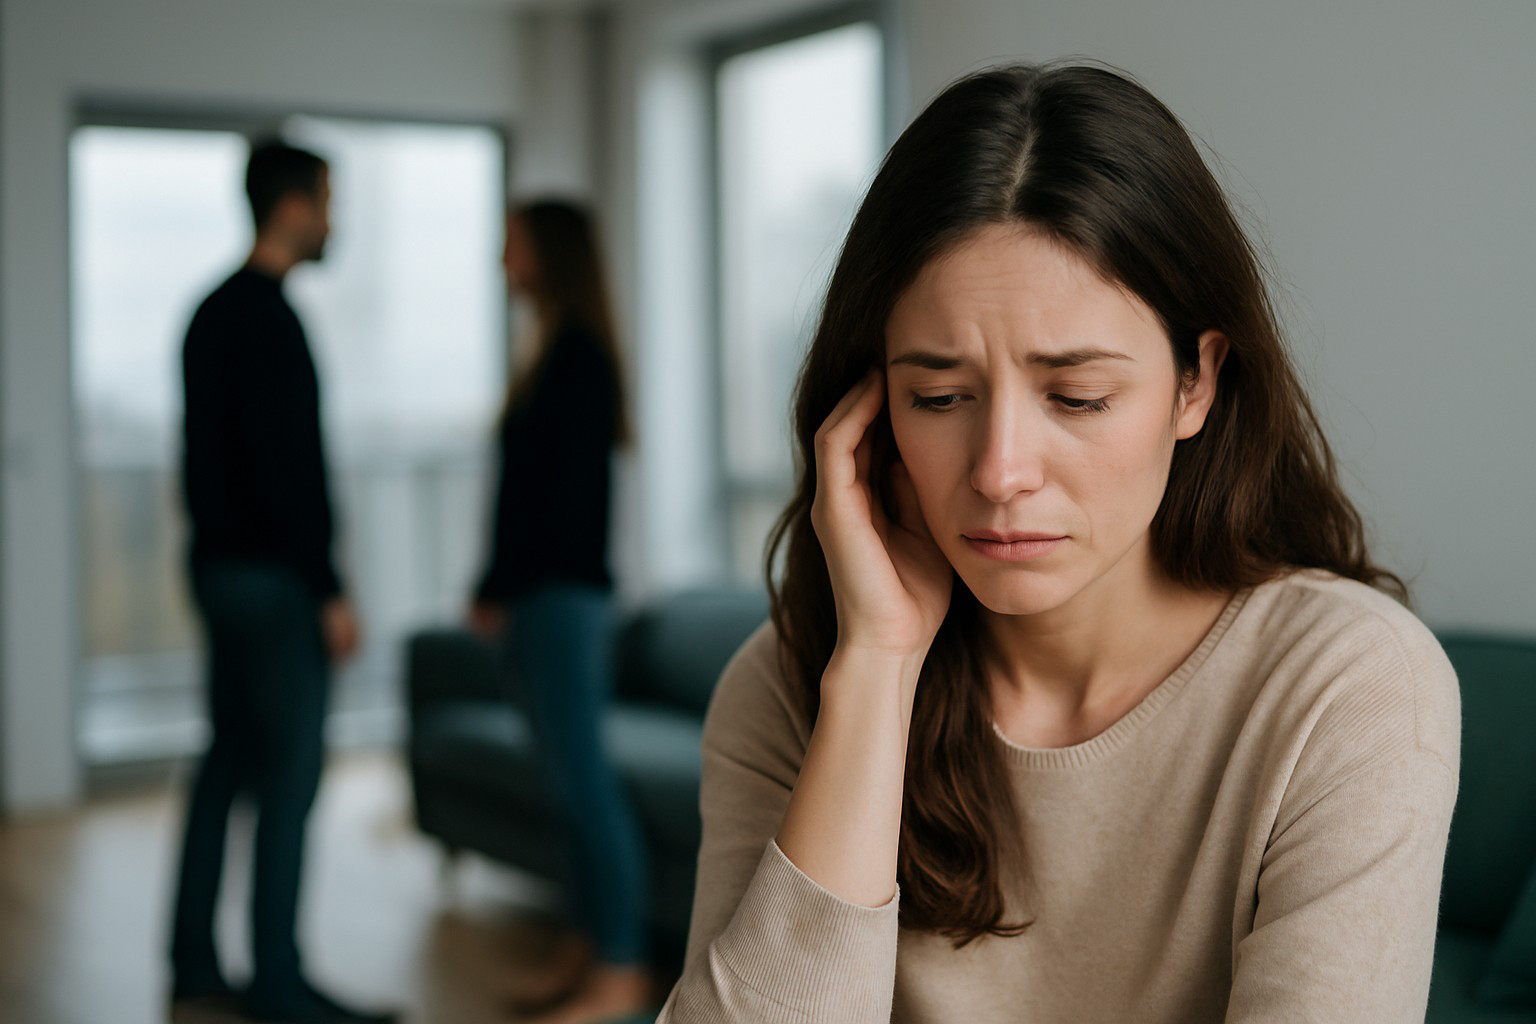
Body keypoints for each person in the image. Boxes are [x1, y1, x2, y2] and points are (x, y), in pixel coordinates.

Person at [658, 62, 1460, 1023]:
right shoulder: (793, 682)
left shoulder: (1349, 686)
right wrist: (876, 671)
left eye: (1077, 397)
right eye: (938, 397)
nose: (1000, 471)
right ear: (871, 414)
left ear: (1196, 384)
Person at [170, 139, 394, 1024]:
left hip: (219, 573)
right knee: (290, 783)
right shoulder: (272, 322)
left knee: (225, 763)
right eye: (328, 202)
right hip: (275, 586)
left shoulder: (210, 312)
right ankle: (278, 985)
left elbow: (210, 466)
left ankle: (193, 968)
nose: (335, 222)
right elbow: (289, 474)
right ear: (293, 206)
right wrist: (329, 590)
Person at [469, 200, 651, 1024]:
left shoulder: (577, 359)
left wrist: (503, 582)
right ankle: (584, 943)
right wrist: (495, 584)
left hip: (562, 601)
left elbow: (560, 507)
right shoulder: (551, 350)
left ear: (549, 253)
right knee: (563, 783)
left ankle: (622, 965)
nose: (501, 260)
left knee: (584, 783)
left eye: (512, 244)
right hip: (539, 597)